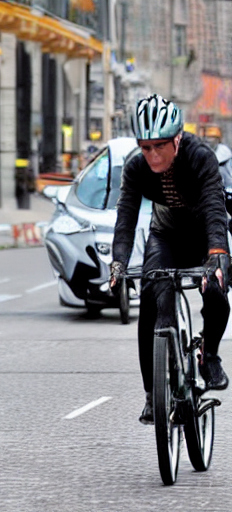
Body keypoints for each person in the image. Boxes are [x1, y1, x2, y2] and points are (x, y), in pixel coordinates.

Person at [109, 94, 230, 425]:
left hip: (205, 237)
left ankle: (210, 356)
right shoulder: (136, 168)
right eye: (145, 147)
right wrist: (118, 262)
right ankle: (153, 396)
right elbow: (126, 218)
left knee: (217, 292)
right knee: (151, 299)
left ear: (177, 138)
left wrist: (217, 252)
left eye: (160, 146)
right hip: (165, 238)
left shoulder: (199, 157)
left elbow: (215, 207)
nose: (152, 155)